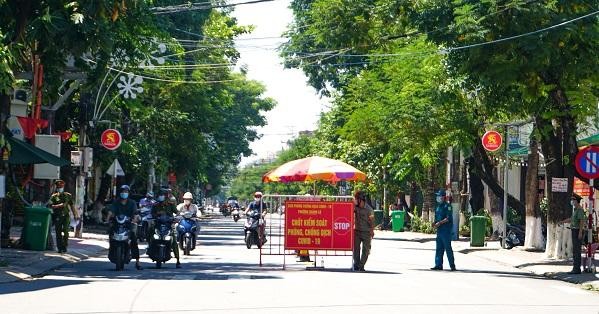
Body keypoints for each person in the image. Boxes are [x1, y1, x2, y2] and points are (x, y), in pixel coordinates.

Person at [106, 185, 142, 270]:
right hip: (117, 224)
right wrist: (107, 219)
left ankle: (137, 262)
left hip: (128, 224)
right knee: (111, 234)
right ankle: (111, 251)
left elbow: (135, 213)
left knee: (133, 239)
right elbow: (111, 211)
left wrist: (135, 220)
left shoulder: (132, 203)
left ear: (128, 193)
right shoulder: (116, 202)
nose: (124, 193)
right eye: (122, 191)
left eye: (126, 192)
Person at [152, 188, 181, 268]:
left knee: (174, 241)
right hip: (158, 225)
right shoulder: (155, 205)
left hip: (168, 226)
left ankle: (178, 260)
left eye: (162, 195)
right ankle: (150, 249)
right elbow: (152, 214)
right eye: (160, 194)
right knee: (150, 233)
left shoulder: (171, 205)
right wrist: (156, 215)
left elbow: (177, 212)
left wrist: (177, 218)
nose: (161, 196)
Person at [49, 180, 79, 253]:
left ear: (63, 186)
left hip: (66, 216)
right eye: (59, 186)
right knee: (58, 232)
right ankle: (59, 248)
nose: (60, 188)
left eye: (61, 186)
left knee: (66, 231)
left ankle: (65, 246)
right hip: (57, 216)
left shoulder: (68, 195)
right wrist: (59, 206)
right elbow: (50, 206)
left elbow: (72, 206)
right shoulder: (54, 196)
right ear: (57, 187)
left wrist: (75, 215)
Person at [431, 189, 456, 271]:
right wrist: (434, 223)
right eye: (437, 196)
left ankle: (452, 265)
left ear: (443, 197)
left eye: (439, 196)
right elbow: (436, 218)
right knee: (439, 248)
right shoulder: (438, 207)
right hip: (439, 230)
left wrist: (439, 223)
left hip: (446, 230)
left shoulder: (447, 206)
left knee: (448, 248)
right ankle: (438, 265)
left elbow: (448, 218)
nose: (437, 197)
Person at [561, 194, 585, 274]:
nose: (572, 201)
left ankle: (576, 269)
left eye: (573, 200)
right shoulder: (575, 210)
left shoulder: (580, 210)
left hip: (577, 231)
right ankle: (575, 268)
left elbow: (581, 221)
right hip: (574, 230)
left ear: (576, 201)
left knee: (577, 251)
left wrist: (580, 232)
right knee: (575, 250)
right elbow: (572, 219)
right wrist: (563, 221)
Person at [353, 190, 374, 271]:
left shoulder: (369, 210)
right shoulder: (355, 207)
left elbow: (372, 222)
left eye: (356, 199)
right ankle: (356, 264)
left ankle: (361, 266)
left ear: (360, 200)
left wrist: (372, 231)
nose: (355, 201)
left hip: (366, 232)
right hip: (357, 231)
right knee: (356, 249)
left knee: (366, 251)